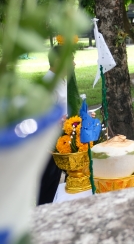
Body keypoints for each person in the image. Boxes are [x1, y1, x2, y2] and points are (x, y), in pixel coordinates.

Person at [37, 46, 67, 205]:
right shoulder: (48, 83)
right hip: (48, 145)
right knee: (47, 186)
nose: (74, 64)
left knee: (57, 183)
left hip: (60, 142)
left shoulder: (62, 79)